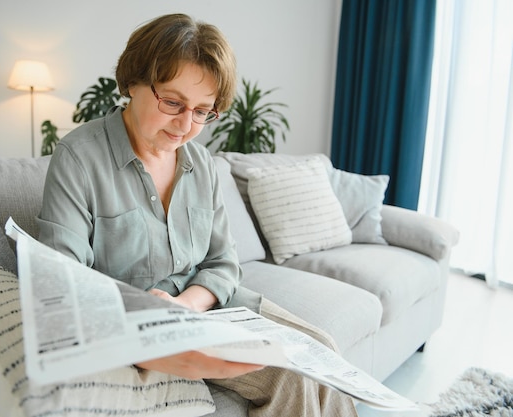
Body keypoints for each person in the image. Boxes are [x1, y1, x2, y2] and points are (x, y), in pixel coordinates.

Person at [38, 13, 358, 417]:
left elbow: (223, 262)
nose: (186, 125)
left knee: (321, 351)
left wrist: (188, 305)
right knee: (287, 376)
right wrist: (154, 311)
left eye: (203, 111)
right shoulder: (79, 159)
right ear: (133, 82)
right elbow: (62, 278)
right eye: (172, 102)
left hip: (209, 309)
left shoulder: (201, 163)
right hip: (140, 325)